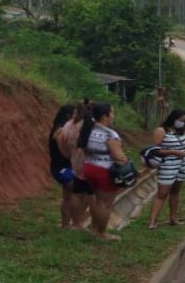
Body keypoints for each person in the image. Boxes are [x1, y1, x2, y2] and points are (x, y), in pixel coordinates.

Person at [147, 109, 185, 229]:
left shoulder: (180, 132)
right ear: (173, 118)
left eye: (183, 121)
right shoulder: (161, 131)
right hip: (168, 165)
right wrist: (173, 152)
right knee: (162, 193)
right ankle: (152, 221)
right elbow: (155, 150)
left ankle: (173, 218)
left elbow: (182, 147)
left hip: (181, 164)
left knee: (175, 191)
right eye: (180, 120)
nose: (181, 123)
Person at [77, 102, 129, 240]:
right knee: (105, 203)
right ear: (105, 116)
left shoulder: (88, 130)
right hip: (104, 170)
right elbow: (118, 156)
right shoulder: (110, 134)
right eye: (112, 112)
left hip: (89, 167)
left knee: (97, 200)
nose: (113, 115)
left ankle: (95, 228)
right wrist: (125, 161)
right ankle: (102, 233)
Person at [56, 99, 93, 228]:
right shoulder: (88, 125)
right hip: (87, 162)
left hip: (74, 162)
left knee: (75, 194)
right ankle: (78, 222)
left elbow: (61, 142)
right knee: (87, 195)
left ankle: (72, 223)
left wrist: (68, 154)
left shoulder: (68, 125)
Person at [49, 105, 77, 228]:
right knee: (80, 190)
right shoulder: (59, 131)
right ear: (69, 116)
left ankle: (66, 224)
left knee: (68, 196)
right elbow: (66, 153)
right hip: (61, 168)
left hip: (66, 166)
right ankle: (76, 223)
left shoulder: (65, 130)